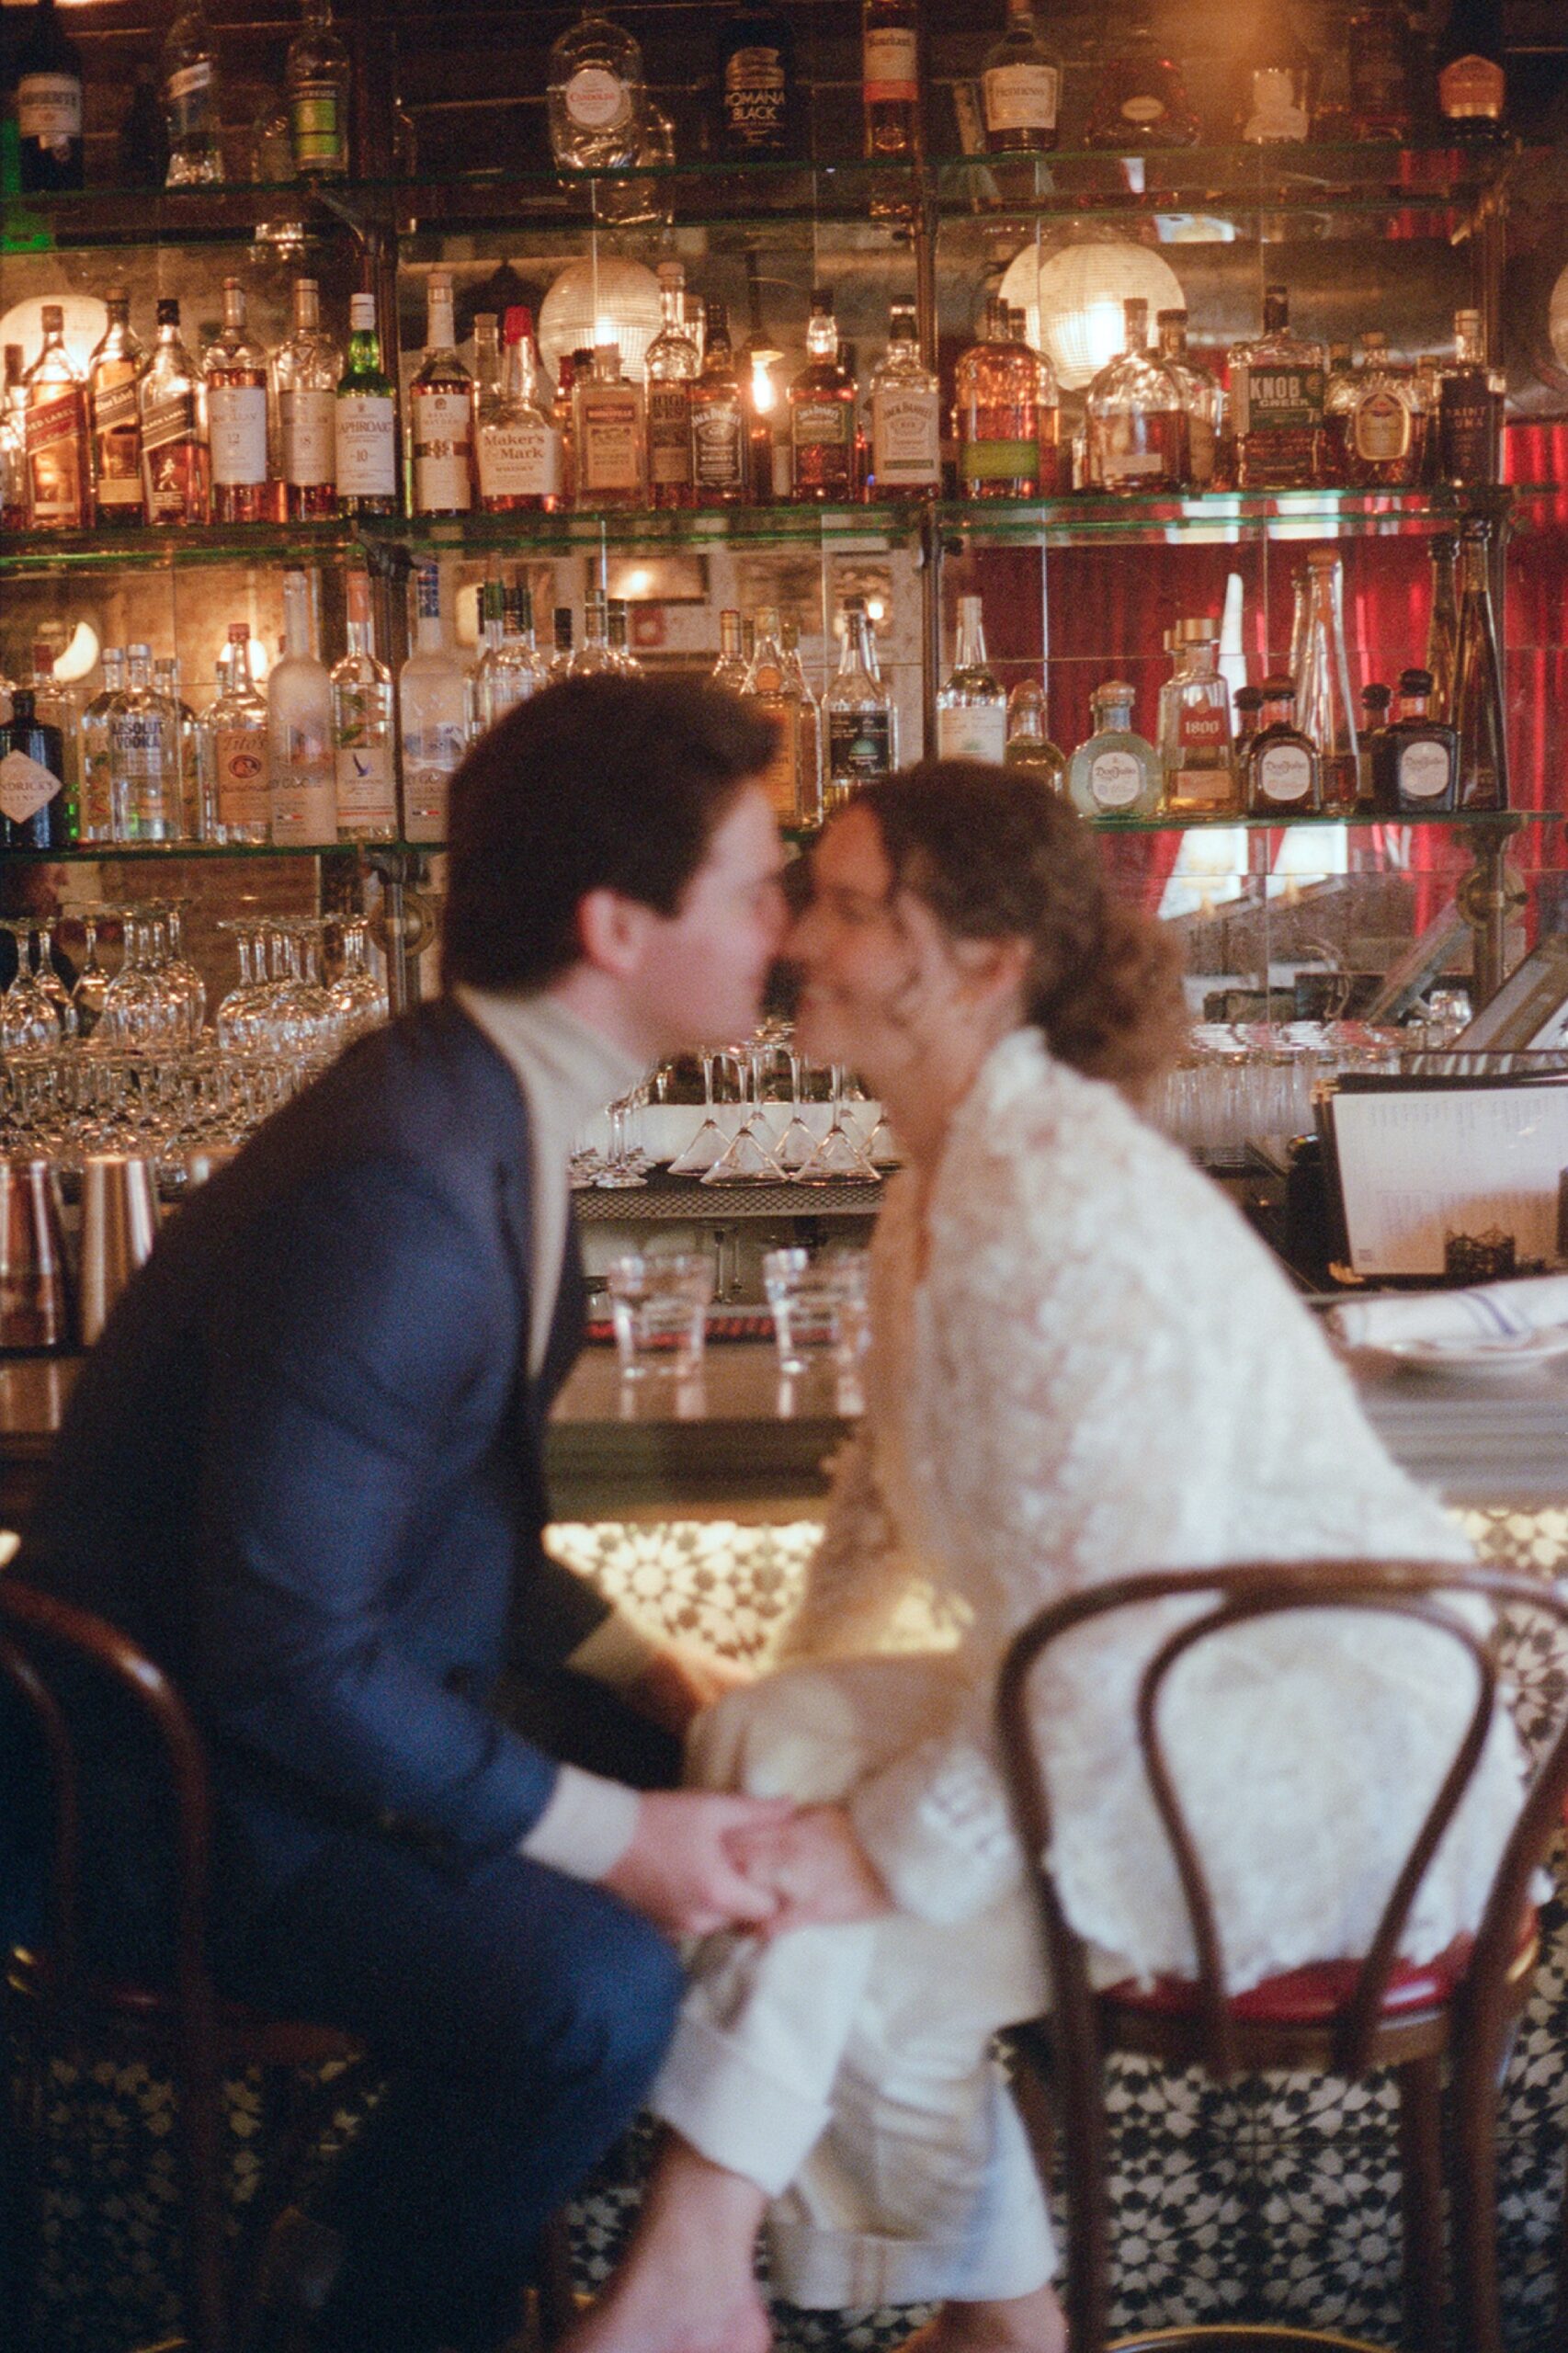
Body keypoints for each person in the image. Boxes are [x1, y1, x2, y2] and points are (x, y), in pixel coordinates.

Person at [563, 764, 1527, 2353]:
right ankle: (981, 2316)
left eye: (853, 910)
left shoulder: (1061, 1205)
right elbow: (879, 1506)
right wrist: (799, 1777)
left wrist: (866, 1846)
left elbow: (1106, 1650)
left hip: (1313, 1756)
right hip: (1152, 1694)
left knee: (846, 1900)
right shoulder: (937, 1174)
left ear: (988, 962)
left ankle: (726, 2265)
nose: (800, 935)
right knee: (764, 1745)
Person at [11, 676, 810, 2353]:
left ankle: (648, 2276)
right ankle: (345, 2305)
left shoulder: (484, 1111)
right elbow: (287, 1654)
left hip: (306, 1734)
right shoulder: (405, 1188)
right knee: (592, 1992)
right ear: (615, 923)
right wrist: (615, 1838)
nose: (783, 915)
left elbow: (458, 1529)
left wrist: (664, 1683)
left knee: (780, 1795)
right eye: (754, 880)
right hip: (167, 1812)